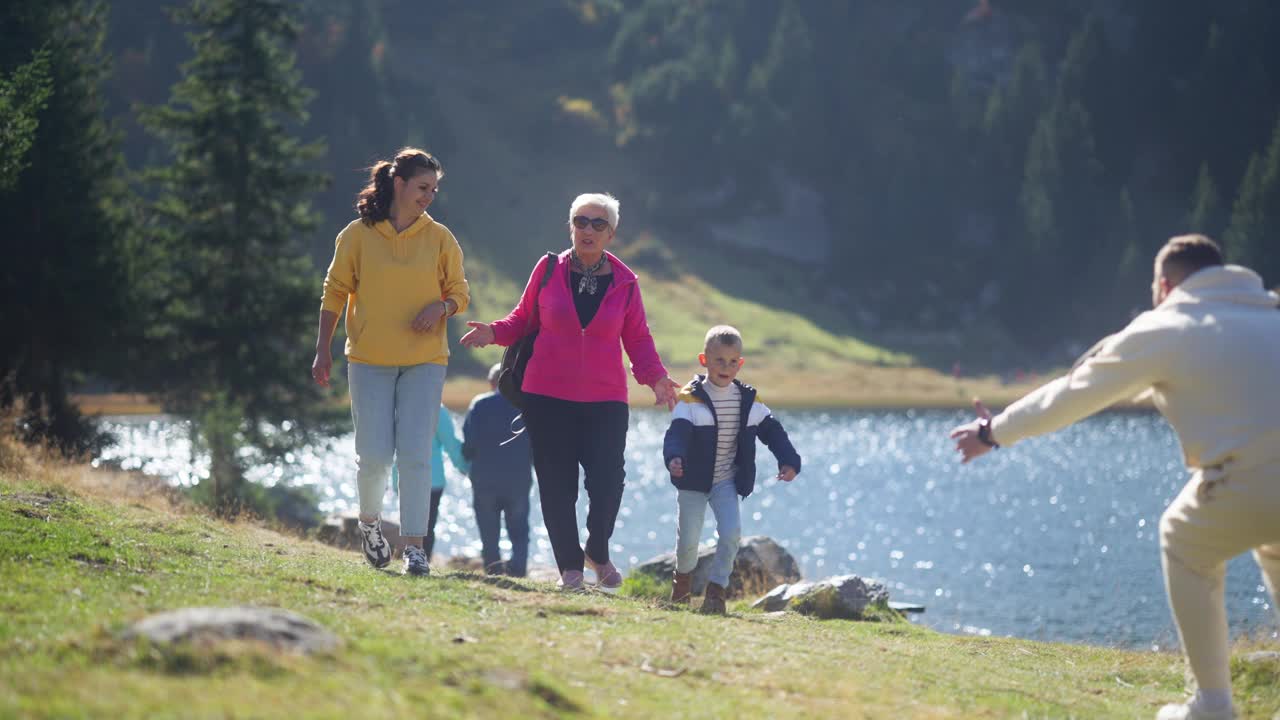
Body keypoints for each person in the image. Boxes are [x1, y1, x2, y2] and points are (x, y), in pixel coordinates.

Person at [949, 235, 1280, 720]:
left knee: (1184, 538)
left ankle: (1212, 705)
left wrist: (993, 432)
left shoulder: (1168, 326)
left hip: (1247, 478)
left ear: (1164, 285)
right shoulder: (1269, 315)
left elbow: (1073, 393)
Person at [459, 192, 679, 592]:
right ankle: (570, 569)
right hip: (547, 396)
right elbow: (522, 319)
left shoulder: (626, 283)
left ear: (611, 233)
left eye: (598, 224)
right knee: (557, 485)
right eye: (581, 221)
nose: (588, 230)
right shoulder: (548, 269)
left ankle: (597, 550)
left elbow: (639, 340)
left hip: (606, 399)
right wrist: (493, 332)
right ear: (570, 226)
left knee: (608, 481)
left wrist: (657, 379)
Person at [313, 147, 470, 577]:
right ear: (399, 184)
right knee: (375, 456)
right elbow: (334, 291)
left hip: (425, 361)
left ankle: (415, 548)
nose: (429, 196)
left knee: (416, 454)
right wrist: (322, 347)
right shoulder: (357, 235)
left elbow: (459, 291)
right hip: (368, 359)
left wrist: (441, 308)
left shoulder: (440, 238)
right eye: (423, 187)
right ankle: (370, 525)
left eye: (434, 190)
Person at [663, 325, 801, 614]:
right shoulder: (690, 399)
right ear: (704, 360)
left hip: (725, 480)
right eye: (718, 361)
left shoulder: (748, 400)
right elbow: (677, 434)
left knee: (731, 533)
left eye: (732, 361)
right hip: (692, 481)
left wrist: (788, 460)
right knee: (688, 540)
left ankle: (716, 592)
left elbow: (773, 432)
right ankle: (682, 585)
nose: (725, 367)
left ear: (740, 363)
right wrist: (674, 457)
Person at [462, 363, 534, 576]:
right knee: (519, 529)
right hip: (519, 479)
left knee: (488, 529)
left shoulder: (479, 405)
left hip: (484, 478)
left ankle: (492, 569)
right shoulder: (526, 405)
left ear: (492, 383)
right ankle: (519, 569)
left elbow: (469, 444)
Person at [392, 403, 469, 560]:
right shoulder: (437, 410)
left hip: (403, 476)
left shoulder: (398, 406)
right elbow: (451, 444)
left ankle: (412, 560)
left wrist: (393, 480)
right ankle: (421, 562)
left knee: (409, 524)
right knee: (427, 527)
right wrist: (465, 467)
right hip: (432, 480)